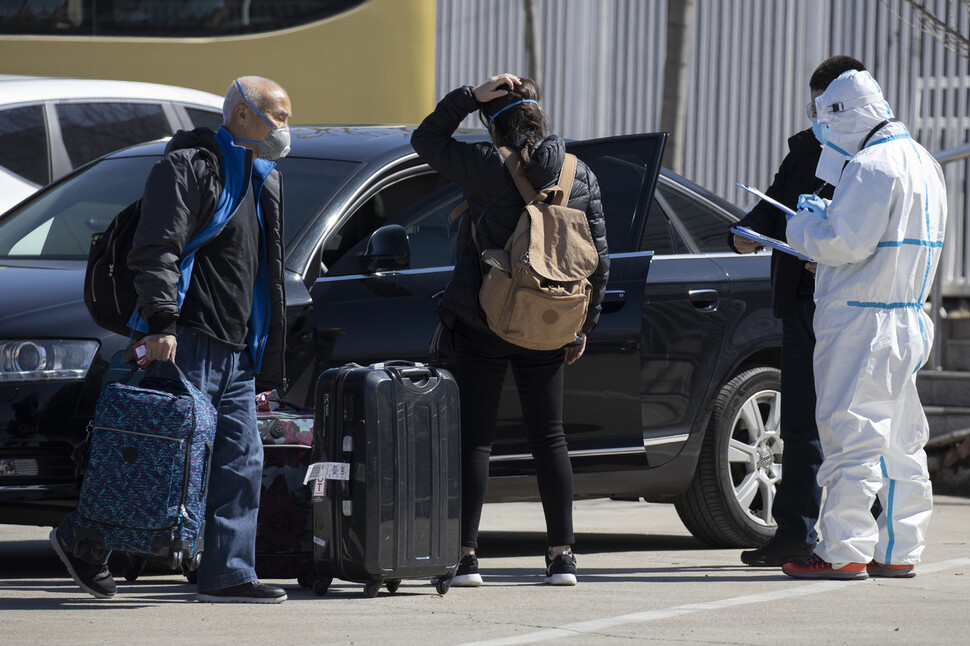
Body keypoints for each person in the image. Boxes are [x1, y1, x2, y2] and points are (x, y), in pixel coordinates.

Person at [50, 75, 292, 603]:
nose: (285, 127)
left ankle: (228, 573)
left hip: (234, 349)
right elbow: (156, 248)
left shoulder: (263, 178)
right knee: (159, 459)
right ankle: (83, 539)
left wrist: (262, 346)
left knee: (241, 462)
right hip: (186, 338)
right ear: (242, 114)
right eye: (278, 115)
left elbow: (261, 273)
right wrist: (161, 323)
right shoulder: (188, 166)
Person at [411, 73, 609, 586]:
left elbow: (425, 140)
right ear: (541, 118)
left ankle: (467, 557)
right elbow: (598, 258)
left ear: (491, 123)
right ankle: (562, 555)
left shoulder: (483, 166)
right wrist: (583, 324)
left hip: (486, 319)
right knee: (550, 436)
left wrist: (468, 97)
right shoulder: (578, 172)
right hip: (550, 321)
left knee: (476, 439)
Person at [783, 69, 946, 580]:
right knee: (901, 441)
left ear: (845, 115)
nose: (822, 133)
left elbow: (846, 245)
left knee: (850, 436)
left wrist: (807, 222)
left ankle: (843, 550)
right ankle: (899, 549)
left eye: (824, 120)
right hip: (908, 317)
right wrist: (834, 217)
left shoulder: (871, 165)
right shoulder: (923, 161)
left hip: (861, 322)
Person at [731, 55, 866, 567]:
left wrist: (833, 257)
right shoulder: (805, 149)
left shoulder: (874, 156)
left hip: (851, 305)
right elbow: (773, 204)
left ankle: (861, 534)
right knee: (802, 426)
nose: (818, 114)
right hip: (800, 306)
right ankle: (794, 534)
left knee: (850, 426)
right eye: (813, 105)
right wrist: (746, 231)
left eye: (826, 104)